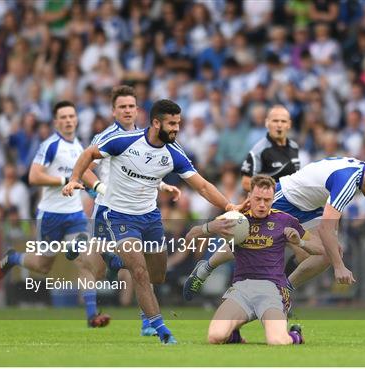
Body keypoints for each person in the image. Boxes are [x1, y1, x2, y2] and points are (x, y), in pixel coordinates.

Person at [62, 99, 245, 345]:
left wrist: (228, 206)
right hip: (118, 216)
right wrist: (75, 178)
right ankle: (161, 329)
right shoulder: (124, 141)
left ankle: (113, 258)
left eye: (178, 123)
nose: (176, 128)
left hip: (150, 219)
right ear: (156, 123)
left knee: (156, 275)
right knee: (138, 271)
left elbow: (201, 185)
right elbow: (88, 154)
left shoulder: (173, 153)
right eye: (171, 123)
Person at [184, 156, 365, 299]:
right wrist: (339, 267)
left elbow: (328, 228)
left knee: (330, 253)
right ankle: (205, 268)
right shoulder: (350, 180)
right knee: (247, 240)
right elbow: (326, 230)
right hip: (286, 197)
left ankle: (283, 292)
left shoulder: (361, 175)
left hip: (310, 209)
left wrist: (332, 256)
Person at [0, 101, 110, 327]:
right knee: (43, 266)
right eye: (63, 117)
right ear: (56, 122)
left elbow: (84, 174)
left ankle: (91, 315)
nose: (68, 120)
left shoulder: (79, 147)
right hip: (51, 215)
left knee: (84, 262)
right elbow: (34, 177)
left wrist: (99, 190)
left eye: (71, 116)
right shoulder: (51, 146)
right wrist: (64, 180)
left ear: (76, 120)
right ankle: (14, 257)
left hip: (74, 213)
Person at [77, 85, 181, 336]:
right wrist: (100, 188)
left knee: (143, 265)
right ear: (113, 111)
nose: (127, 110)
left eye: (131, 106)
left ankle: (147, 320)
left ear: (138, 110)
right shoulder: (107, 136)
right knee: (101, 268)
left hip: (141, 210)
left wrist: (163, 184)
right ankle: (95, 304)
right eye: (122, 106)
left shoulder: (148, 137)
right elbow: (86, 167)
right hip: (109, 208)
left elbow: (146, 171)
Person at [186, 175, 316, 345]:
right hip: (242, 289)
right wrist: (211, 226)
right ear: (249, 197)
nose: (262, 204)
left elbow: (317, 247)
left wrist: (301, 242)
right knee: (215, 337)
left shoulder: (285, 220)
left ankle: (295, 335)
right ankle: (234, 336)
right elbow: (190, 235)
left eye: (267, 200)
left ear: (273, 199)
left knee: (277, 341)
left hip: (272, 290)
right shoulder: (236, 218)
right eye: (258, 199)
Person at [240, 105, 300, 192]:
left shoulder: (294, 147)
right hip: (270, 203)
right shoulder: (259, 150)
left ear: (289, 124)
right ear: (267, 123)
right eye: (275, 121)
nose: (279, 125)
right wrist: (269, 192)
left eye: (283, 121)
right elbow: (246, 183)